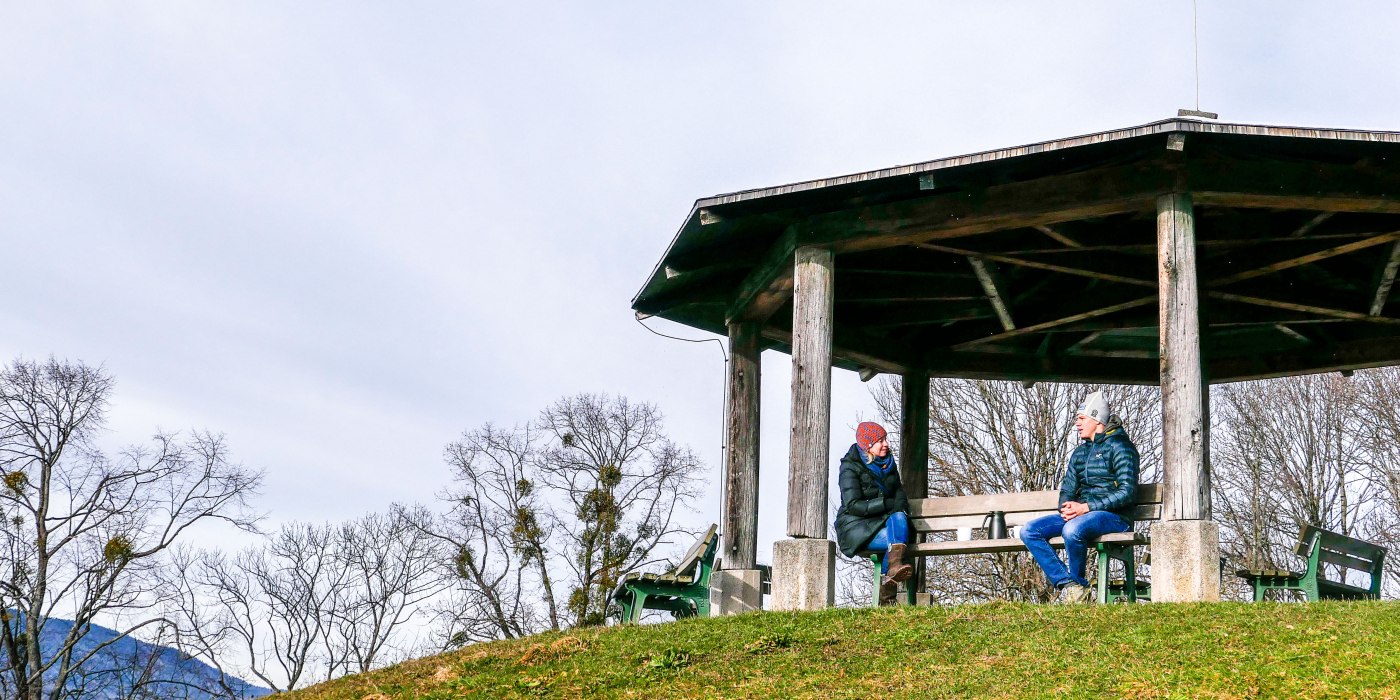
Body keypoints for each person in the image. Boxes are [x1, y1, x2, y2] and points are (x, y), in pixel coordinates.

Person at [1020, 391, 1139, 604]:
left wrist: (1085, 507)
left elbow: (1127, 493)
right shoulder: (1080, 453)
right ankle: (1071, 586)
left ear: (1096, 419)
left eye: (1081, 418)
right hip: (1083, 515)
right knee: (1029, 531)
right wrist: (1066, 508)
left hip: (1115, 517)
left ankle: (1078, 582)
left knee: (1072, 529)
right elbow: (1067, 489)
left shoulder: (1121, 447)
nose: (1077, 424)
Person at [834, 421, 912, 605]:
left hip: (886, 523)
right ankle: (887, 596)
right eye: (880, 440)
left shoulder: (888, 463)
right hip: (858, 529)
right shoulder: (849, 467)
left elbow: (899, 492)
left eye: (885, 439)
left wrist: (898, 506)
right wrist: (886, 504)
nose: (886, 444)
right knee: (897, 541)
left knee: (899, 519)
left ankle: (888, 590)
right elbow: (853, 505)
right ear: (868, 445)